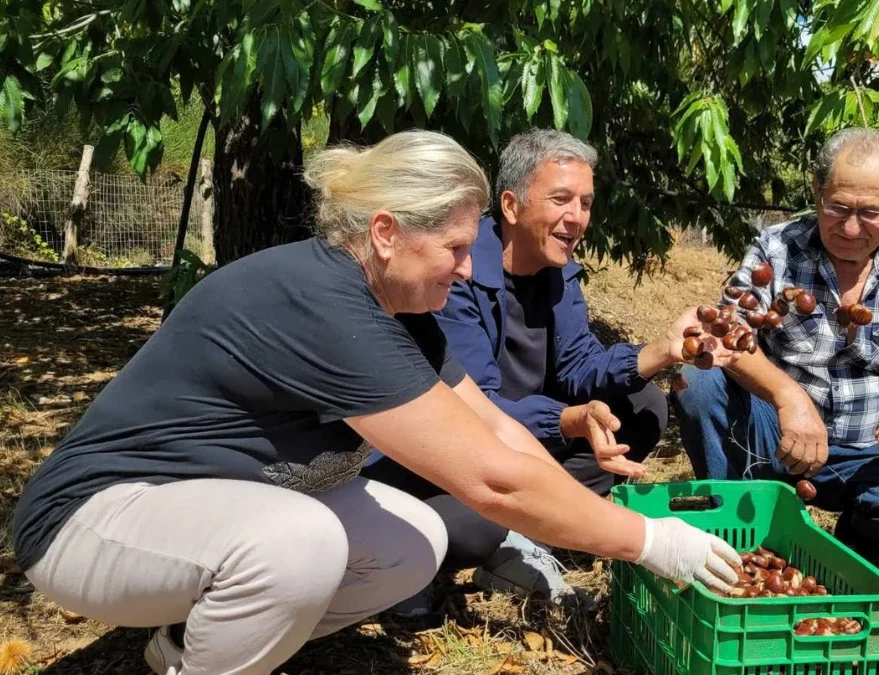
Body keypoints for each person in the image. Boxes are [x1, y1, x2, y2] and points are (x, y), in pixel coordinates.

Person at [12, 130, 746, 675]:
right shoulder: (326, 302)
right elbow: (490, 480)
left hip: (212, 505)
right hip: (93, 521)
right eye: (456, 248)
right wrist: (649, 542)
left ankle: (187, 645)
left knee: (412, 543)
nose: (468, 268)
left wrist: (625, 521)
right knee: (301, 545)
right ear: (387, 233)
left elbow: (498, 436)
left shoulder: (401, 311)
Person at [363, 128, 713, 609]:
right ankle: (414, 559)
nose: (577, 218)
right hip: (451, 455)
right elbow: (472, 411)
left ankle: (535, 533)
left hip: (522, 441)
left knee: (644, 405)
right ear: (511, 206)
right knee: (477, 523)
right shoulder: (455, 271)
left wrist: (663, 350)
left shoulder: (559, 269)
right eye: (561, 199)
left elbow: (577, 365)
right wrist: (570, 419)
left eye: (586, 203)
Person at [673, 127, 879, 568]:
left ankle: (849, 559)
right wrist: (789, 397)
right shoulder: (777, 250)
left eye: (870, 212)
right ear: (817, 189)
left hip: (867, 450)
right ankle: (740, 528)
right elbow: (727, 335)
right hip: (776, 436)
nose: (851, 227)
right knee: (698, 379)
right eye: (837, 207)